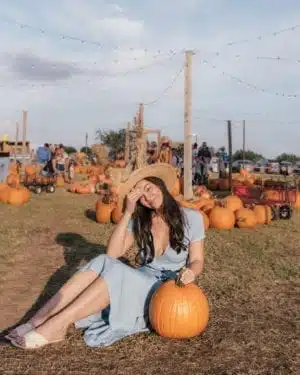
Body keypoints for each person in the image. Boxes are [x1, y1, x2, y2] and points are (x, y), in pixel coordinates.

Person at [6, 163, 205, 349]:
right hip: (143, 278)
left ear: (160, 186)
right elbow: (113, 254)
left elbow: (197, 260)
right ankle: (37, 320)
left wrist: (191, 272)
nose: (147, 196)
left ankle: (57, 325)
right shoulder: (140, 221)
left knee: (115, 271)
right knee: (103, 261)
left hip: (166, 290)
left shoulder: (192, 217)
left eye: (149, 188)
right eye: (140, 194)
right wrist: (128, 212)